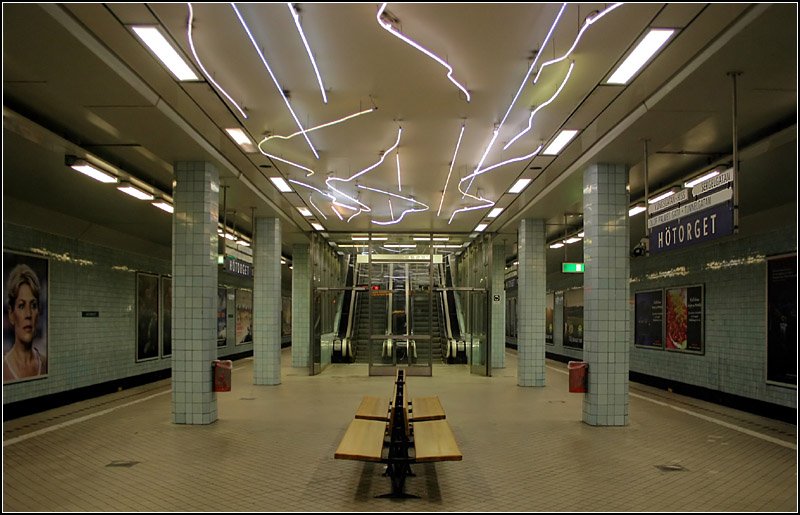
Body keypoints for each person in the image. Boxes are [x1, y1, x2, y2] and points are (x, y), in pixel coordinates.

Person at [4, 264, 47, 381]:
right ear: (11, 314)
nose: (28, 314)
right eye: (21, 306)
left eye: (33, 305)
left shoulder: (45, 364)